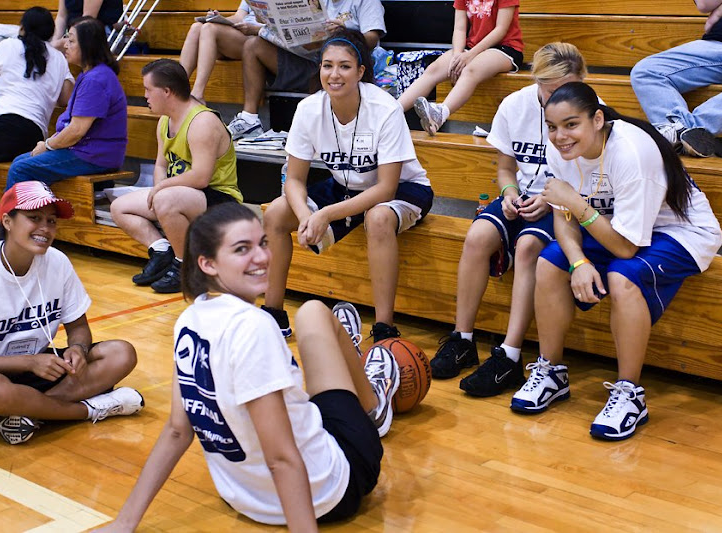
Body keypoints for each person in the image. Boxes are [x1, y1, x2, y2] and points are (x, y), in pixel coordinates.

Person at [101, 203, 399, 530]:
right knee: (314, 312)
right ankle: (374, 405)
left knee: (299, 383)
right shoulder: (255, 326)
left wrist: (123, 524)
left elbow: (177, 429)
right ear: (208, 264)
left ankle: (354, 374)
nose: (261, 257)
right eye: (242, 249)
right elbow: (282, 459)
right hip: (332, 489)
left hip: (247, 499)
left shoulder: (188, 321)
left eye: (263, 243)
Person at [509, 82, 722, 441]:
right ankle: (552, 373)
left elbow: (623, 248)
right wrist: (578, 262)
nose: (560, 136)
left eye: (571, 125)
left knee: (624, 276)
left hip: (680, 232)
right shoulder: (561, 148)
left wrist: (577, 205)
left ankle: (629, 395)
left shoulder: (632, 152)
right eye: (552, 126)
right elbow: (564, 217)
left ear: (597, 119)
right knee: (550, 263)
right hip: (616, 227)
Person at [429, 43, 588, 398]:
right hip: (520, 199)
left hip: (563, 207)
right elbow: (504, 168)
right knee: (477, 236)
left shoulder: (592, 112)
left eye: (568, 88)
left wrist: (549, 201)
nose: (558, 97)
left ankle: (510, 355)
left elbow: (589, 182)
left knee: (529, 245)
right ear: (537, 82)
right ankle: (463, 339)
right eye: (550, 90)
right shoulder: (515, 105)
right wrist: (509, 193)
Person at [262, 30, 433, 340]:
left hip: (405, 188)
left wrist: (325, 215)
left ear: (360, 72)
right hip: (345, 186)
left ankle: (384, 327)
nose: (334, 74)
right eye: (327, 66)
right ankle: (273, 314)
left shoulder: (385, 109)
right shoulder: (309, 109)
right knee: (275, 213)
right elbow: (295, 180)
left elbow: (386, 189)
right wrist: (305, 218)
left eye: (344, 66)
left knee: (378, 216)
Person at [0, 181, 144, 445]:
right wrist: (28, 362)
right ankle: (89, 410)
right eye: (34, 218)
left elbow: (78, 328)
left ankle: (26, 413)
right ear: (7, 221)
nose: (45, 228)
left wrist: (78, 349)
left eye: (51, 221)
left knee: (120, 353)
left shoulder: (57, 261)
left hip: (38, 371)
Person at [111, 59, 243, 294]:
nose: (145, 96)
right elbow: (161, 165)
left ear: (166, 91)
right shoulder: (165, 121)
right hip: (182, 195)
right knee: (119, 207)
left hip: (219, 200)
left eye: (148, 90)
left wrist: (162, 191)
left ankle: (187, 266)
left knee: (164, 199)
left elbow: (201, 178)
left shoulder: (202, 121)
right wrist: (160, 188)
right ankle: (162, 250)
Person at [630, 0, 722, 157]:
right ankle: (687, 136)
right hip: (714, 43)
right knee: (646, 70)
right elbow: (704, 4)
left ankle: (684, 131)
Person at [227, 0, 386, 139]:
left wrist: (345, 31)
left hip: (346, 64)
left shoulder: (366, 1)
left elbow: (371, 38)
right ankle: (249, 120)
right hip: (313, 59)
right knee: (252, 45)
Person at [5, 17, 128, 191]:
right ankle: (32, 213)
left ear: (87, 45)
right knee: (20, 161)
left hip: (94, 155)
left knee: (21, 168)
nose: (65, 45)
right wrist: (49, 144)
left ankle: (18, 217)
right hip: (86, 151)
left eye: (71, 40)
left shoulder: (96, 79)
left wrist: (47, 145)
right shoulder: (90, 74)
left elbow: (77, 130)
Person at [397, 0, 523, 136]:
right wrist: (457, 56)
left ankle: (440, 113)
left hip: (505, 47)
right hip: (471, 48)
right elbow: (459, 28)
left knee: (471, 70)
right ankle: (392, 111)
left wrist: (471, 55)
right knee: (434, 68)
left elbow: (501, 29)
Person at [0, 7, 74, 171]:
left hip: (4, 124)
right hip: (35, 134)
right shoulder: (59, 58)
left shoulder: (8, 45)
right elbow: (65, 99)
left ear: (22, 28)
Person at [178, 2, 264, 103]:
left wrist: (255, 28)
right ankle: (177, 87)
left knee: (208, 28)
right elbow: (239, 17)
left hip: (257, 38)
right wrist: (220, 19)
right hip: (242, 33)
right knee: (196, 27)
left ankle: (197, 93)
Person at [51, 0, 123, 49]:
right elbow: (61, 17)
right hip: (76, 32)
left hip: (102, 35)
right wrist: (53, 42)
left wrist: (63, 42)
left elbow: (87, 20)